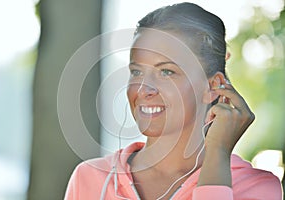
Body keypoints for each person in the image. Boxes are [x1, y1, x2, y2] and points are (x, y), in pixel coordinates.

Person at [64, 2, 282, 200]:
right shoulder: (90, 178)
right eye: (137, 72)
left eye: (166, 72)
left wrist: (217, 154)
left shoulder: (256, 187)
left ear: (212, 86)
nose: (143, 89)